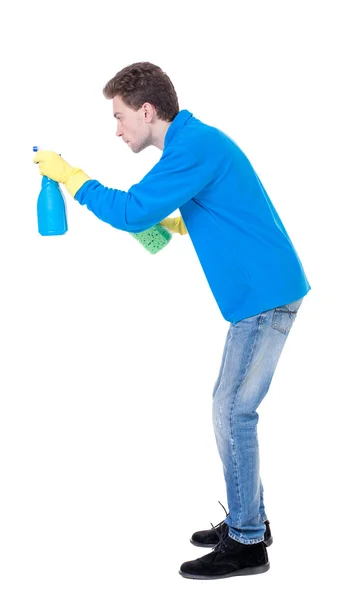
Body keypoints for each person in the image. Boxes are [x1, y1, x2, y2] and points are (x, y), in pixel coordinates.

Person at [33, 61, 311, 580]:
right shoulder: (196, 143)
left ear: (146, 110)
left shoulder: (192, 147)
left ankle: (249, 541)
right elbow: (221, 205)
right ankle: (252, 521)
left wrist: (71, 177)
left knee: (233, 413)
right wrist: (181, 221)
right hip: (262, 293)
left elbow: (131, 211)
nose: (116, 130)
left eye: (119, 118)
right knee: (230, 409)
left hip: (264, 297)